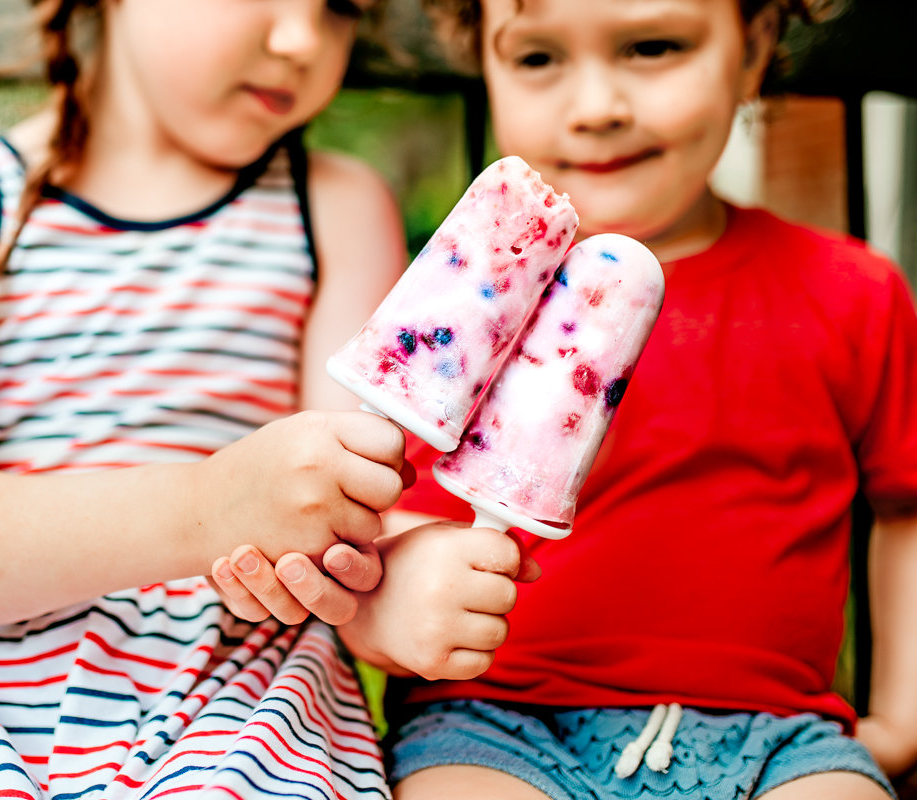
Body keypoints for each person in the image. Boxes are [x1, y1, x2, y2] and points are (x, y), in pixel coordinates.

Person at [211, 0, 917, 798]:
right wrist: (398, 595)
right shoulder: (460, 317)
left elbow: (905, 510)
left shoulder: (853, 295)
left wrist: (900, 719)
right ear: (484, 60)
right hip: (489, 725)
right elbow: (365, 527)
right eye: (539, 59)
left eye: (652, 47)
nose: (596, 109)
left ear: (753, 47)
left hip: (783, 740)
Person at [0, 0, 415, 797]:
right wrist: (207, 507)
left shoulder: (336, 208)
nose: (300, 41)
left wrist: (405, 584)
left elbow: (361, 511)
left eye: (340, 8)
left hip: (240, 708)